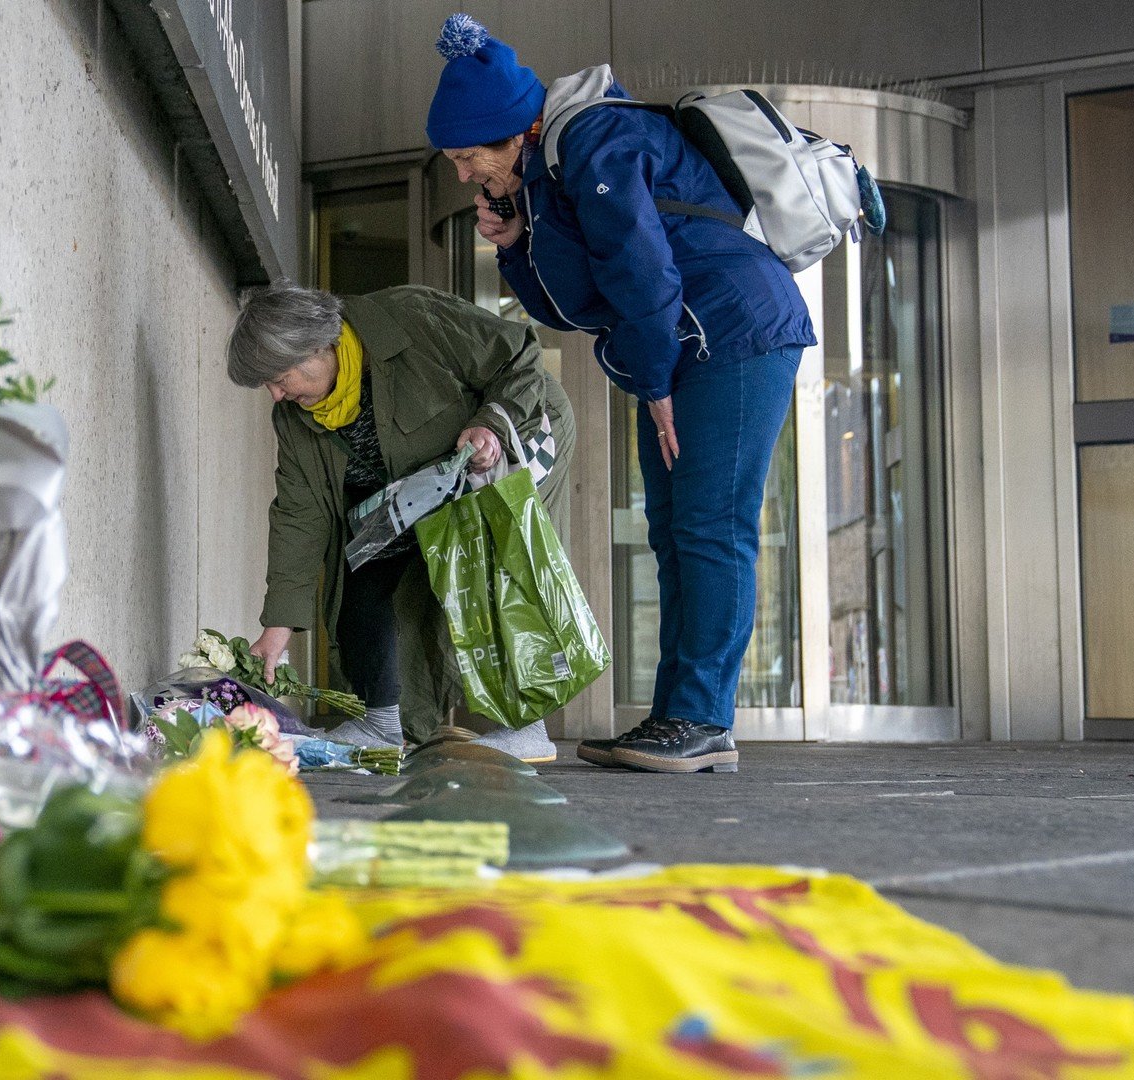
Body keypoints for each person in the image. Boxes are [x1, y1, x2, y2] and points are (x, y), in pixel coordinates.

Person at [425, 14, 815, 774]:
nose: (466, 174)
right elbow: (573, 307)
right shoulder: (543, 175)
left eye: (470, 157)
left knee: (710, 526)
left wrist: (657, 383)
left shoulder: (594, 139)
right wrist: (511, 247)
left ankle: (703, 717)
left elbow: (644, 273)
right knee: (672, 529)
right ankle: (681, 715)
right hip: (686, 344)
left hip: (735, 334)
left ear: (514, 132)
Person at [228, 282, 575, 762]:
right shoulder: (294, 420)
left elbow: (516, 355)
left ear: (317, 347)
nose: (276, 395)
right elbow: (299, 517)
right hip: (420, 481)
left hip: (518, 434)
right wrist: (279, 626)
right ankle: (384, 724)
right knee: (363, 559)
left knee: (492, 556)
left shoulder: (408, 319)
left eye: (280, 377)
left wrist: (492, 421)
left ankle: (527, 724)